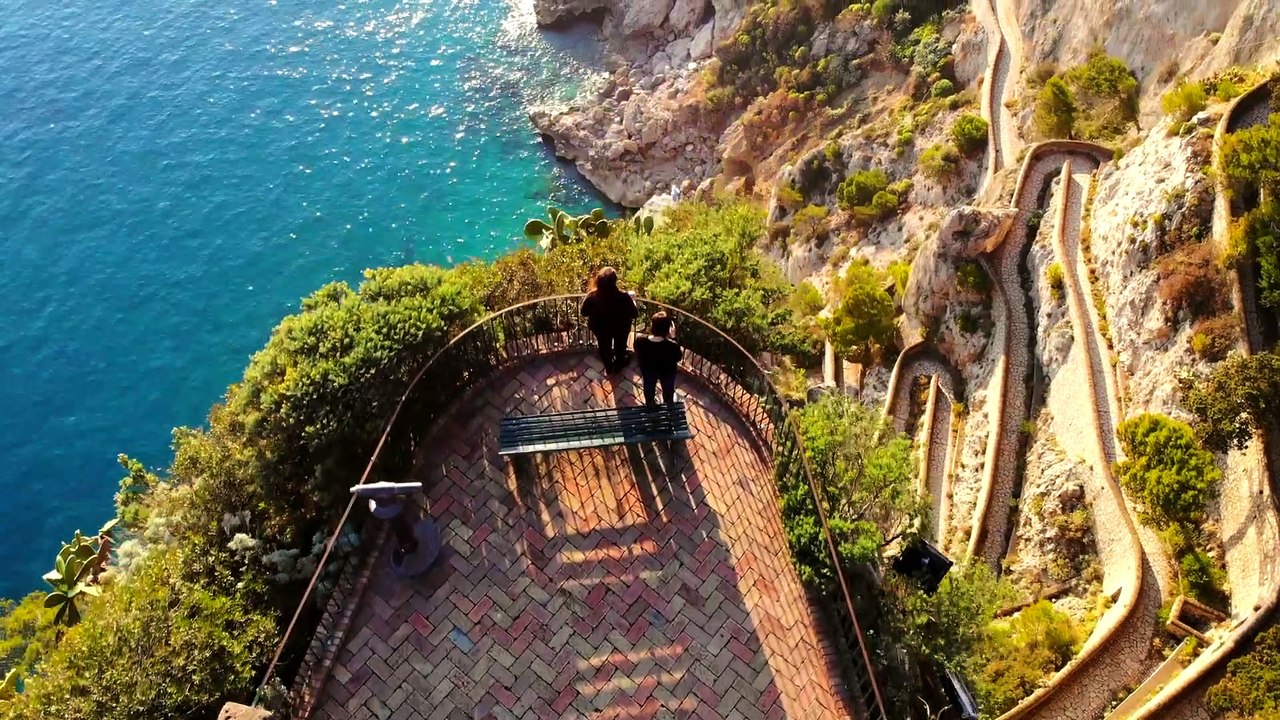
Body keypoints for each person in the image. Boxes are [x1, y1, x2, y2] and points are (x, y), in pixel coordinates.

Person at [579, 267, 637, 373]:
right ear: (615, 281)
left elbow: (584, 312)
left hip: (600, 329)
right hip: (620, 328)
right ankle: (618, 365)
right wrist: (632, 302)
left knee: (604, 347)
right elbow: (634, 314)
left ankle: (609, 366)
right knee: (620, 347)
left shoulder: (592, 297)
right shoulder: (624, 297)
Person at [634, 312, 682, 405]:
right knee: (668, 388)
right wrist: (673, 337)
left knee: (648, 386)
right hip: (666, 371)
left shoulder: (641, 341)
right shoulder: (672, 346)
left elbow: (637, 350)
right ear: (667, 329)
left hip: (648, 369)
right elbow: (678, 357)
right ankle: (668, 403)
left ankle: (650, 403)